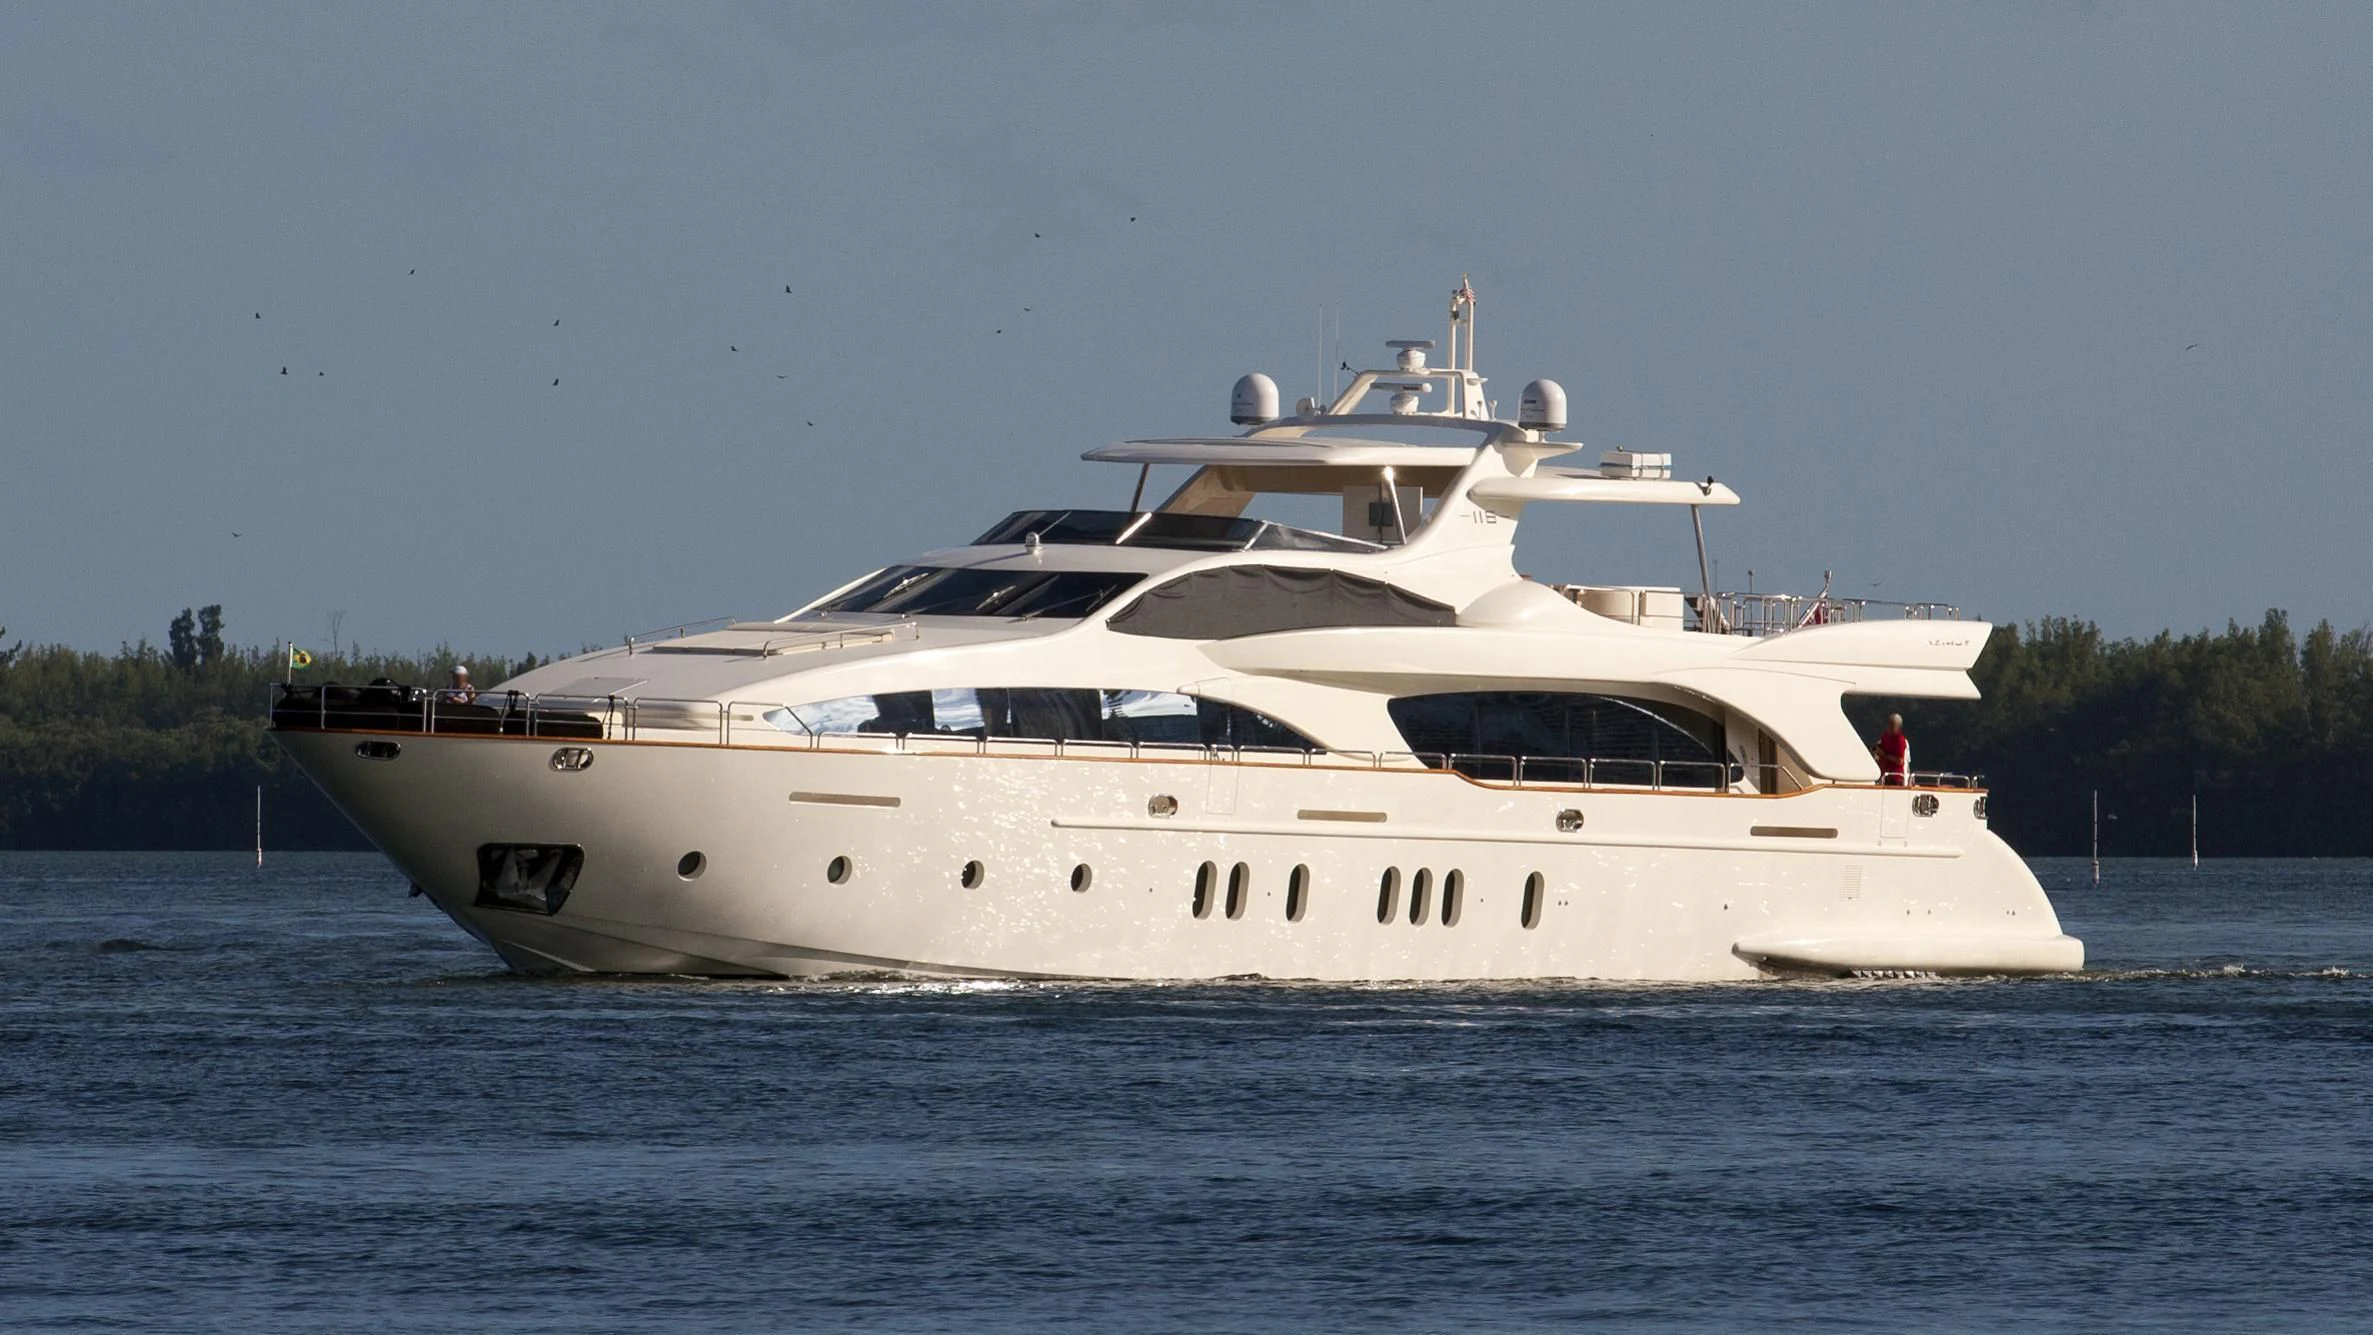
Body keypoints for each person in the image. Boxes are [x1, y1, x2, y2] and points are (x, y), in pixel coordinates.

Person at [1873, 713, 1909, 786]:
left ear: (1898, 727)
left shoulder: (1900, 740)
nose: (1889, 727)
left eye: (1892, 725)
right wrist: (1876, 750)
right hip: (1884, 776)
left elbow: (1900, 761)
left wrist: (1885, 755)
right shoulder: (1885, 736)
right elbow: (1877, 747)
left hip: (1896, 778)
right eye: (1889, 724)